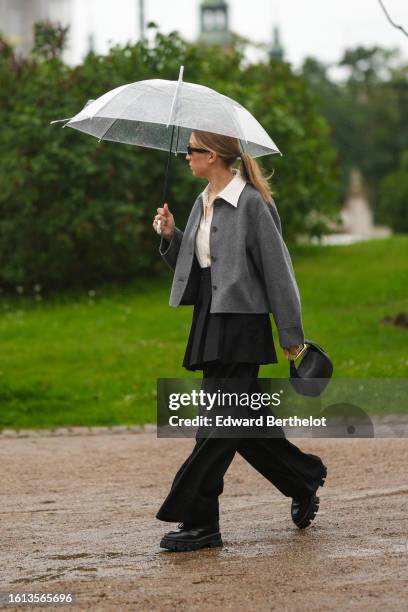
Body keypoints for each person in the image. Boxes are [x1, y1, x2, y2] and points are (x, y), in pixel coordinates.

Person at [152, 130, 327, 552]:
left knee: (217, 426)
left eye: (190, 151)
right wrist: (171, 236)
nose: (185, 157)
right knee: (240, 425)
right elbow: (196, 270)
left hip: (243, 325)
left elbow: (278, 273)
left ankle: (198, 518)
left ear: (211, 156)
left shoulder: (251, 203)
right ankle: (302, 478)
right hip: (209, 320)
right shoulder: (201, 202)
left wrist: (292, 337)